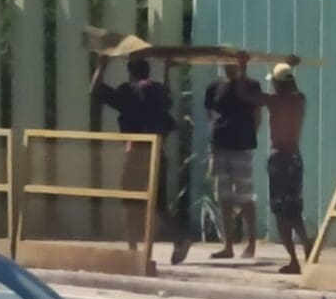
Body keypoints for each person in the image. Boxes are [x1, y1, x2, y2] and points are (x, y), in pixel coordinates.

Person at [92, 55, 191, 264]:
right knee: (159, 204)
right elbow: (168, 96)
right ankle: (179, 238)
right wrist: (167, 69)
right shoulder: (157, 90)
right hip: (158, 152)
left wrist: (102, 64)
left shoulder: (129, 91)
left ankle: (133, 249)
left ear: (131, 73)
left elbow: (96, 90)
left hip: (136, 152)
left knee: (130, 202)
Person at [238, 59, 313, 274]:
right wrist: (290, 66)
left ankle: (293, 260)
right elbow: (291, 87)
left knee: (280, 212)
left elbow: (244, 94)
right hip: (295, 159)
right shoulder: (300, 100)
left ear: (278, 84)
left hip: (279, 159)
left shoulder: (274, 102)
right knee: (294, 209)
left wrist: (241, 67)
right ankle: (306, 241)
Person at [205, 60, 261, 259]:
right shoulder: (214, 87)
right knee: (224, 197)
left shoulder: (251, 86)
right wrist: (213, 142)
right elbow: (210, 115)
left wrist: (248, 136)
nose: (229, 66)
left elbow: (257, 114)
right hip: (220, 146)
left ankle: (251, 243)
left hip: (241, 147)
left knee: (245, 196)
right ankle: (227, 245)